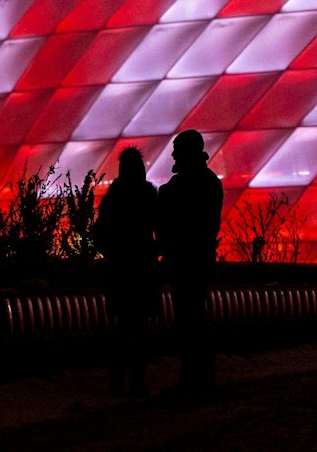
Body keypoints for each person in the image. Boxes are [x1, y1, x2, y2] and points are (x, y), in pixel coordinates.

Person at [157, 129, 224, 398]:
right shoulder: (209, 182)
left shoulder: (185, 185)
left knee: (189, 320)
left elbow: (171, 221)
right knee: (195, 319)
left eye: (177, 149)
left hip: (185, 260)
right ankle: (201, 378)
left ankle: (193, 380)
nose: (172, 154)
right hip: (199, 259)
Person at [95, 146, 158, 398]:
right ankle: (137, 382)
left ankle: (116, 381)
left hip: (120, 270)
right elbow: (160, 230)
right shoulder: (149, 198)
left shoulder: (112, 200)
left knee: (121, 328)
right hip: (143, 269)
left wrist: (112, 252)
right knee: (140, 328)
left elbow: (98, 234)